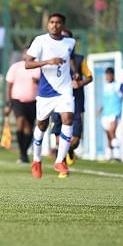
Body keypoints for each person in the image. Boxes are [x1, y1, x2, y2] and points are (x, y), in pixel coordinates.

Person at [24, 13, 76, 179]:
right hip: (46, 92)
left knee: (68, 118)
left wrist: (75, 73)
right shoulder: (40, 41)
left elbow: (71, 60)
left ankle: (60, 160)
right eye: (52, 22)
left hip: (65, 90)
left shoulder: (70, 42)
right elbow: (28, 63)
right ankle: (37, 160)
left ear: (63, 26)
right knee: (42, 125)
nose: (54, 25)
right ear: (48, 25)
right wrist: (47, 62)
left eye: (58, 23)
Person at [50, 28, 93, 165]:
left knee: (74, 140)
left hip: (75, 102)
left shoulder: (80, 60)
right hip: (57, 101)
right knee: (58, 139)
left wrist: (79, 83)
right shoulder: (52, 59)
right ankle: (61, 158)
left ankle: (68, 150)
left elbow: (90, 77)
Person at [4, 47, 40, 163]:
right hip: (17, 100)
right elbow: (9, 85)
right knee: (21, 121)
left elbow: (43, 83)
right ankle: (22, 152)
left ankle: (24, 154)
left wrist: (37, 82)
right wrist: (8, 102)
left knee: (29, 127)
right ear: (23, 55)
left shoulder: (38, 67)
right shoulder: (16, 67)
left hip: (33, 101)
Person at [98, 66, 123, 161]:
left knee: (112, 132)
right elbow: (106, 100)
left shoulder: (119, 85)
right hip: (105, 114)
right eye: (106, 75)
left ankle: (117, 155)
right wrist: (101, 108)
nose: (107, 77)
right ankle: (109, 155)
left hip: (115, 113)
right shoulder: (105, 86)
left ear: (112, 75)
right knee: (109, 135)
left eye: (109, 75)